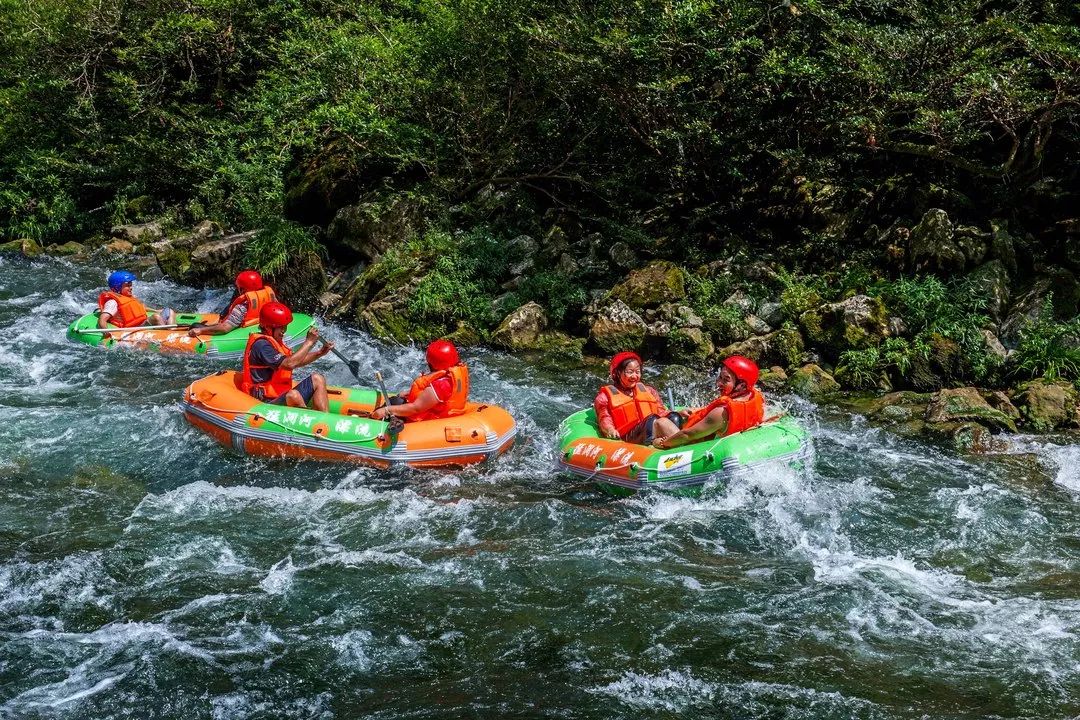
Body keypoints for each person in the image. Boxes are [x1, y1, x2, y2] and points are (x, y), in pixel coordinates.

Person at [653, 355, 765, 449]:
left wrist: (662, 442)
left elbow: (687, 435)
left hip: (695, 448)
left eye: (726, 380)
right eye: (720, 377)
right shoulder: (755, 396)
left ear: (741, 385)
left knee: (660, 422)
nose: (719, 383)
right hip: (732, 443)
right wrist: (697, 412)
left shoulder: (721, 412)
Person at [238, 301, 333, 411]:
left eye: (285, 327)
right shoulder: (262, 345)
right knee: (293, 396)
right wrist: (309, 342)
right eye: (281, 328)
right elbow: (290, 364)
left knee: (318, 379)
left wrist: (319, 353)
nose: (283, 331)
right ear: (268, 327)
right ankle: (311, 420)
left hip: (280, 394)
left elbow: (296, 361)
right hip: (265, 401)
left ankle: (324, 418)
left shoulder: (275, 342)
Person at [594, 351, 681, 445]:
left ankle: (675, 441)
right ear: (618, 373)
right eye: (630, 372)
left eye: (637, 372)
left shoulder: (649, 391)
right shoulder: (604, 397)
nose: (634, 376)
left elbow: (660, 411)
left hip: (651, 425)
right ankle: (664, 442)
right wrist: (609, 429)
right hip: (629, 436)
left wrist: (679, 413)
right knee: (652, 419)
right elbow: (604, 418)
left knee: (674, 417)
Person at [370, 340, 469, 422]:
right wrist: (409, 393)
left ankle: (372, 420)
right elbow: (434, 395)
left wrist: (386, 410)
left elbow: (416, 408)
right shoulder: (452, 376)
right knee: (397, 400)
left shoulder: (441, 385)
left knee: (393, 403)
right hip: (443, 411)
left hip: (430, 420)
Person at [188, 270, 277, 337]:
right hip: (256, 324)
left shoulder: (242, 307)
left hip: (240, 328)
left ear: (242, 289)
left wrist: (201, 330)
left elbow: (225, 328)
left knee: (194, 325)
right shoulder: (271, 298)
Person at [97, 270, 175, 333]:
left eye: (131, 285)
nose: (131, 288)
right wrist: (106, 333)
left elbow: (142, 307)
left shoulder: (130, 297)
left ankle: (173, 331)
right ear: (117, 287)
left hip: (143, 323)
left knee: (169, 311)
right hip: (133, 328)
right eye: (128, 285)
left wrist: (155, 310)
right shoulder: (112, 302)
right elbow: (103, 319)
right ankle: (169, 336)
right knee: (156, 318)